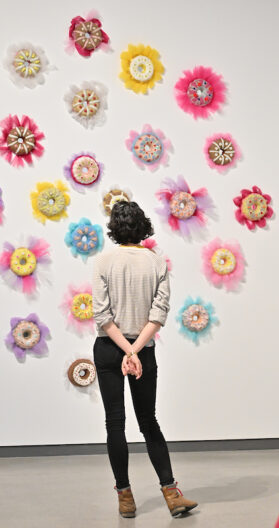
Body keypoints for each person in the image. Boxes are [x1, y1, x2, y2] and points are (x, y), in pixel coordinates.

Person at [92, 200, 198, 519]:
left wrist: (124, 350)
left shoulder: (103, 261)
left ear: (114, 229)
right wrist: (135, 350)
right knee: (149, 422)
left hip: (110, 349)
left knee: (115, 423)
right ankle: (171, 492)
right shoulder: (156, 262)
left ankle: (125, 497)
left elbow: (102, 315)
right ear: (143, 227)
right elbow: (159, 314)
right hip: (143, 349)